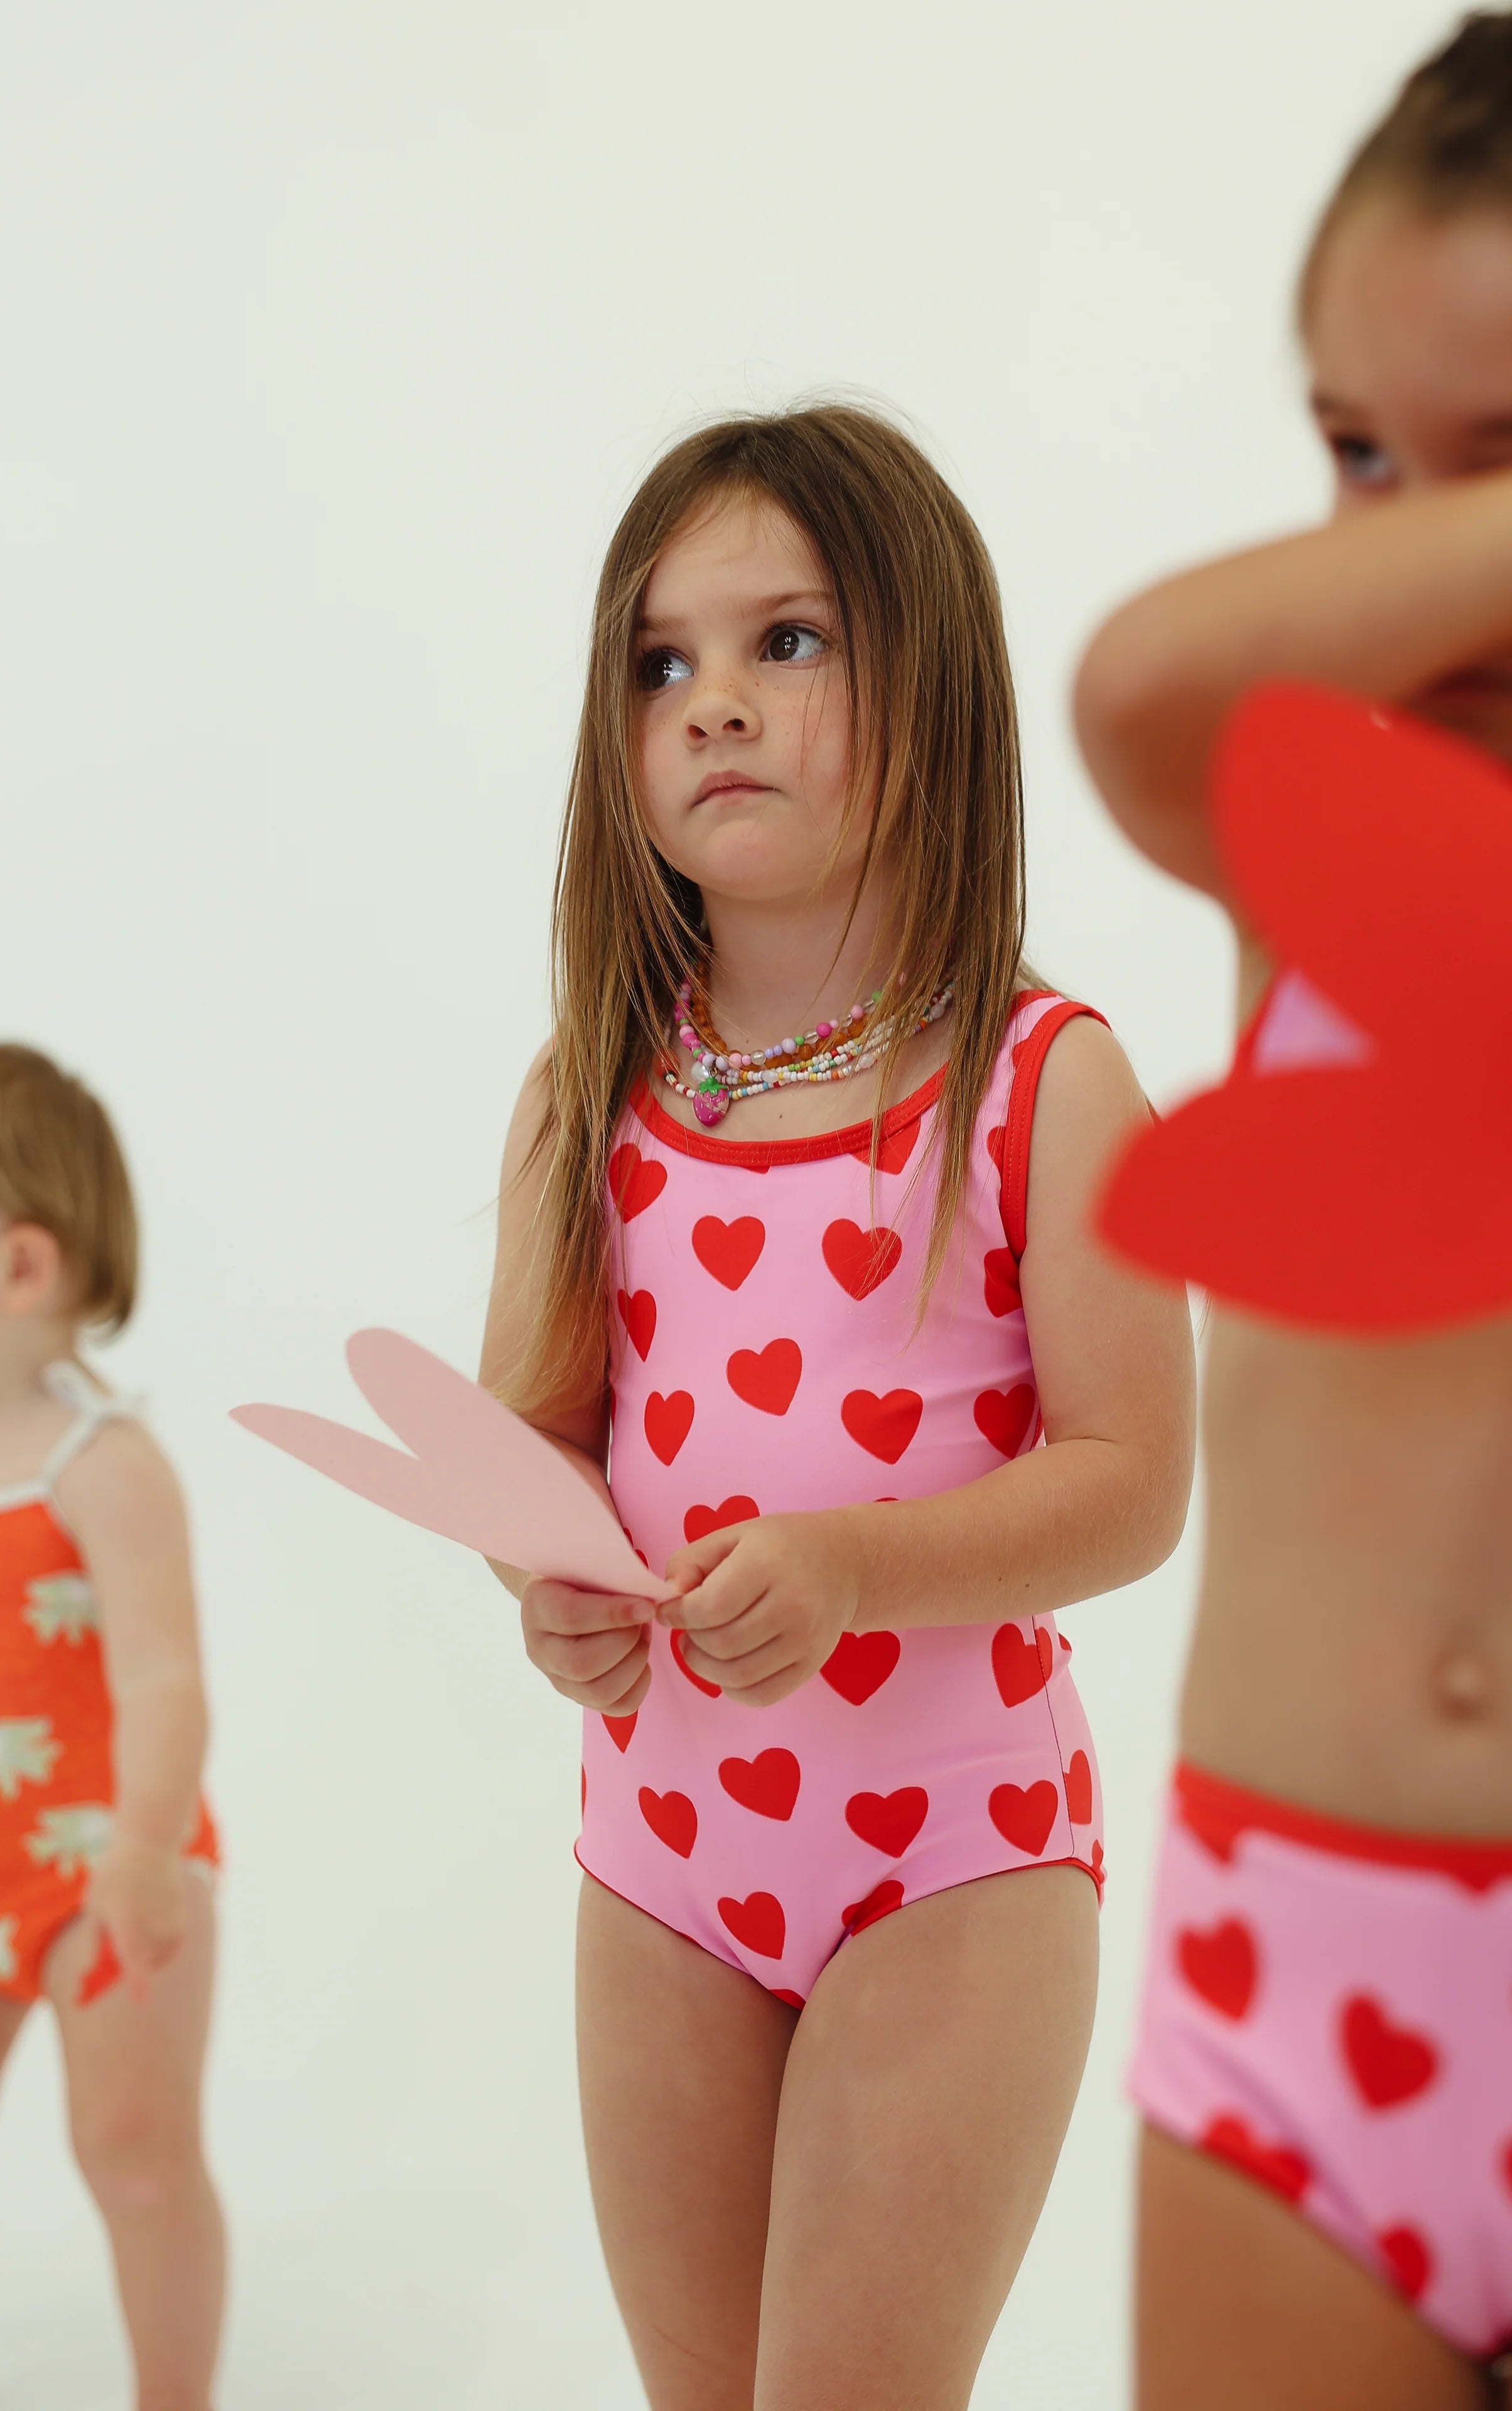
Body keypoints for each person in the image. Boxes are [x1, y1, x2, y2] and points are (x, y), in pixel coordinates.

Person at [480, 403, 1196, 2411]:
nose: (713, 705)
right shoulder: (590, 1094)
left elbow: (1136, 1484)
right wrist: (542, 1579)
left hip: (954, 1860)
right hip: (664, 1857)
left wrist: (855, 1562)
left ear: (934, 684)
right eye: (662, 662)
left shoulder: (1048, 1086)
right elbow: (530, 1431)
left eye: (787, 643)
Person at [1074, 17, 1512, 2408]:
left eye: (1495, 449)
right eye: (1357, 455)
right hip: (1307, 1950)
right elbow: (1140, 682)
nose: (1406, 551)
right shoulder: (1312, 834)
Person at [0, 1045, 223, 2410]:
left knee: (134, 2154)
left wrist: (145, 1852)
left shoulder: (99, 1466)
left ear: (22, 1272)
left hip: (110, 1871)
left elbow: (164, 1682)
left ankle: (174, 2397)